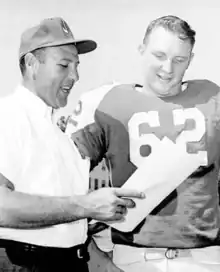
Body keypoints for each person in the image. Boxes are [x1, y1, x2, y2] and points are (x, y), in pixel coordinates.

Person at [64, 15, 220, 272]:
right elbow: (62, 179)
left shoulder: (213, 98)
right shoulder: (107, 103)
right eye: (159, 55)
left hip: (207, 258)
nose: (168, 68)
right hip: (133, 257)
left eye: (179, 60)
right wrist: (92, 253)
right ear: (141, 50)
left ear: (190, 60)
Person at [0, 17, 145, 272]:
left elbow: (70, 226)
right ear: (32, 64)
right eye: (64, 65)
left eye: (77, 66)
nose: (75, 76)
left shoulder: (59, 136)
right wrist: (87, 205)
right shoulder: (9, 116)